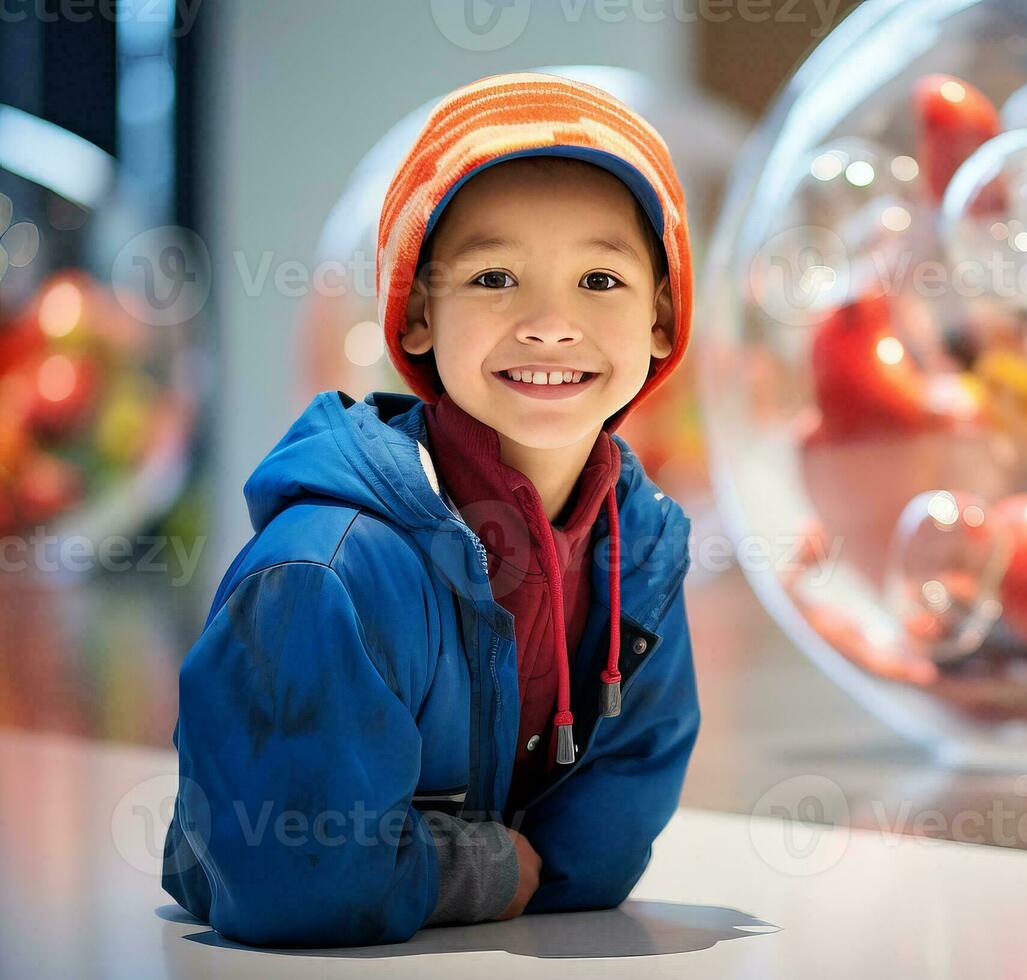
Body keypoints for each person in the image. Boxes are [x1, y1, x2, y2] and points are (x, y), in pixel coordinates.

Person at [160, 71, 699, 948]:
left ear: (662, 323)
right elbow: (292, 878)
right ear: (413, 314)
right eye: (494, 277)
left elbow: (604, 846)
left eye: (600, 279)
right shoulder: (325, 574)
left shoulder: (639, 550)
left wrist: (497, 876)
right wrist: (491, 869)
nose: (552, 323)